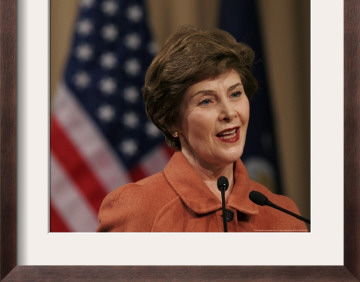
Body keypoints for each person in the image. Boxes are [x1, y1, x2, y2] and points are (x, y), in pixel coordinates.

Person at [97, 26, 308, 232]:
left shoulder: (284, 218)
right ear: (172, 121)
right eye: (206, 101)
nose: (229, 112)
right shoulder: (135, 211)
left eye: (235, 94)